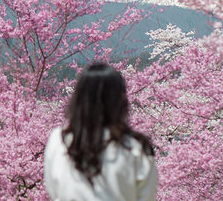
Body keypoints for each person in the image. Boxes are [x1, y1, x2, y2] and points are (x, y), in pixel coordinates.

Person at [43, 62, 157, 201]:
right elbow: (146, 196)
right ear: (120, 100)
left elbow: (53, 190)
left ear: (78, 99)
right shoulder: (136, 147)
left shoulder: (58, 140)